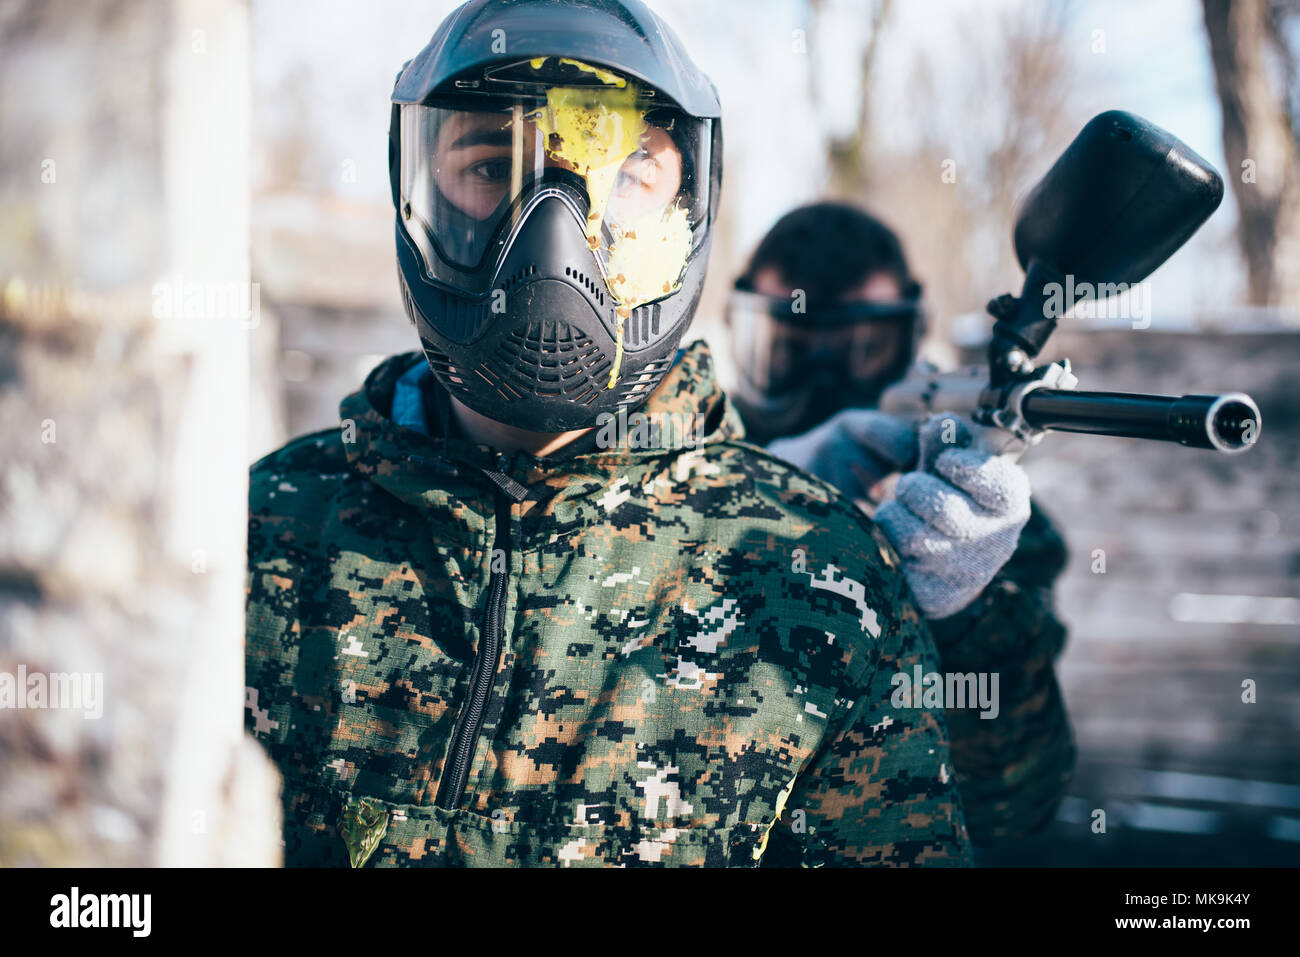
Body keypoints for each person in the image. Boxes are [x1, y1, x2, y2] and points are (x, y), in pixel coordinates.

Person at [244, 0, 972, 867]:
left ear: (691, 206)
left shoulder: (813, 577)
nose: (557, 237)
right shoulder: (264, 530)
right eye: (487, 162)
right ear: (415, 193)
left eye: (627, 175)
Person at [727, 202, 1076, 845]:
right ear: (736, 327)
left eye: (864, 349)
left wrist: (962, 618)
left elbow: (1015, 804)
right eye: (789, 349)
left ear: (912, 337)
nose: (825, 383)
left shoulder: (974, 524)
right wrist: (749, 496)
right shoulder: (679, 473)